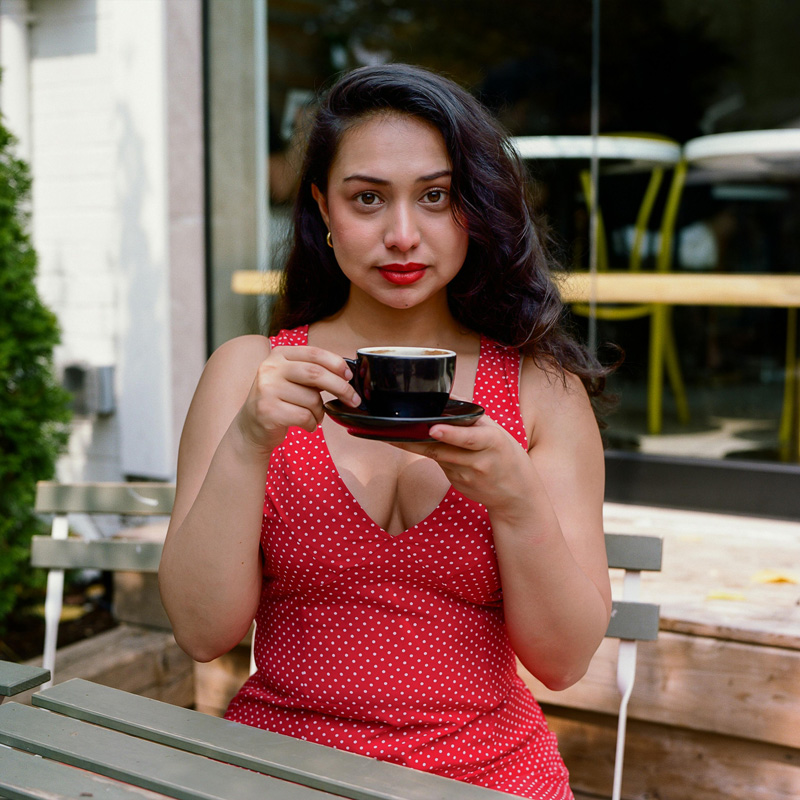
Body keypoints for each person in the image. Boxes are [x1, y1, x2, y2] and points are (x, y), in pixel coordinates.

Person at [159, 63, 612, 800]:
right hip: (280, 772)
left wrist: (517, 500)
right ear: (323, 208)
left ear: (473, 207)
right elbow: (201, 633)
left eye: (435, 196)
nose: (403, 236)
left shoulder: (540, 392)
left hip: (491, 778)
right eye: (367, 198)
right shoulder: (251, 374)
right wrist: (247, 441)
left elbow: (563, 663)